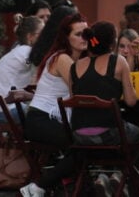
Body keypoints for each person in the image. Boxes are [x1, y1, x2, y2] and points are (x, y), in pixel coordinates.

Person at [20, 14, 88, 197]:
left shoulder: (80, 59)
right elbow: (80, 93)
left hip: (51, 119)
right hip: (41, 120)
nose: (85, 38)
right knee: (84, 147)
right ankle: (38, 187)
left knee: (86, 145)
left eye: (87, 33)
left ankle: (78, 187)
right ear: (66, 37)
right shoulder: (63, 59)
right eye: (79, 34)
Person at [70, 21, 139, 146]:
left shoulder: (74, 66)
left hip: (78, 135)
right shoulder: (118, 61)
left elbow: (74, 99)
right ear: (113, 43)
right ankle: (122, 164)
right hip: (108, 133)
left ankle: (106, 162)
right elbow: (131, 102)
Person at [0, 15, 44, 123]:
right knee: (45, 114)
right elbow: (35, 61)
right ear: (30, 36)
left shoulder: (19, 51)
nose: (45, 38)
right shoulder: (26, 53)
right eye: (42, 34)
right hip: (5, 111)